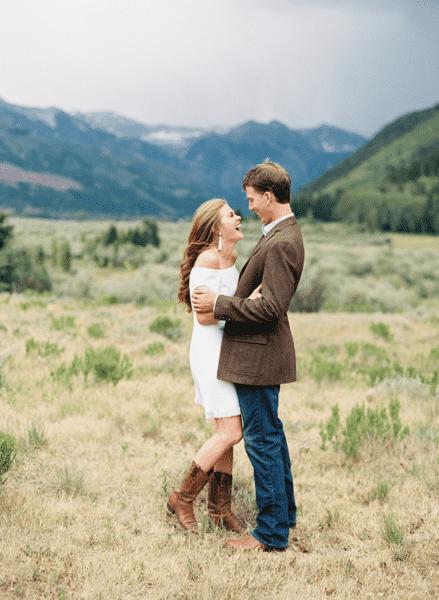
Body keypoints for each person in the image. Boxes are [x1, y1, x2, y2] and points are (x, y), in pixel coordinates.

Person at [192, 161, 305, 551]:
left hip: (258, 357)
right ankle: (284, 515)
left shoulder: (283, 241)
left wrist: (222, 303)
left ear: (269, 196)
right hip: (259, 355)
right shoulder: (279, 233)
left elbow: (271, 308)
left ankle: (271, 533)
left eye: (253, 199)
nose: (251, 207)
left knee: (261, 441)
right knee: (270, 436)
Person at [167, 198, 261, 535]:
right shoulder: (208, 259)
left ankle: (220, 511)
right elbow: (205, 316)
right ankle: (181, 496)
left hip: (228, 351)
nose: (238, 217)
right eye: (230, 215)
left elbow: (222, 307)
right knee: (230, 432)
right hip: (210, 353)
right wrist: (245, 305)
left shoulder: (231, 257)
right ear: (215, 228)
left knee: (227, 433)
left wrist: (239, 307)